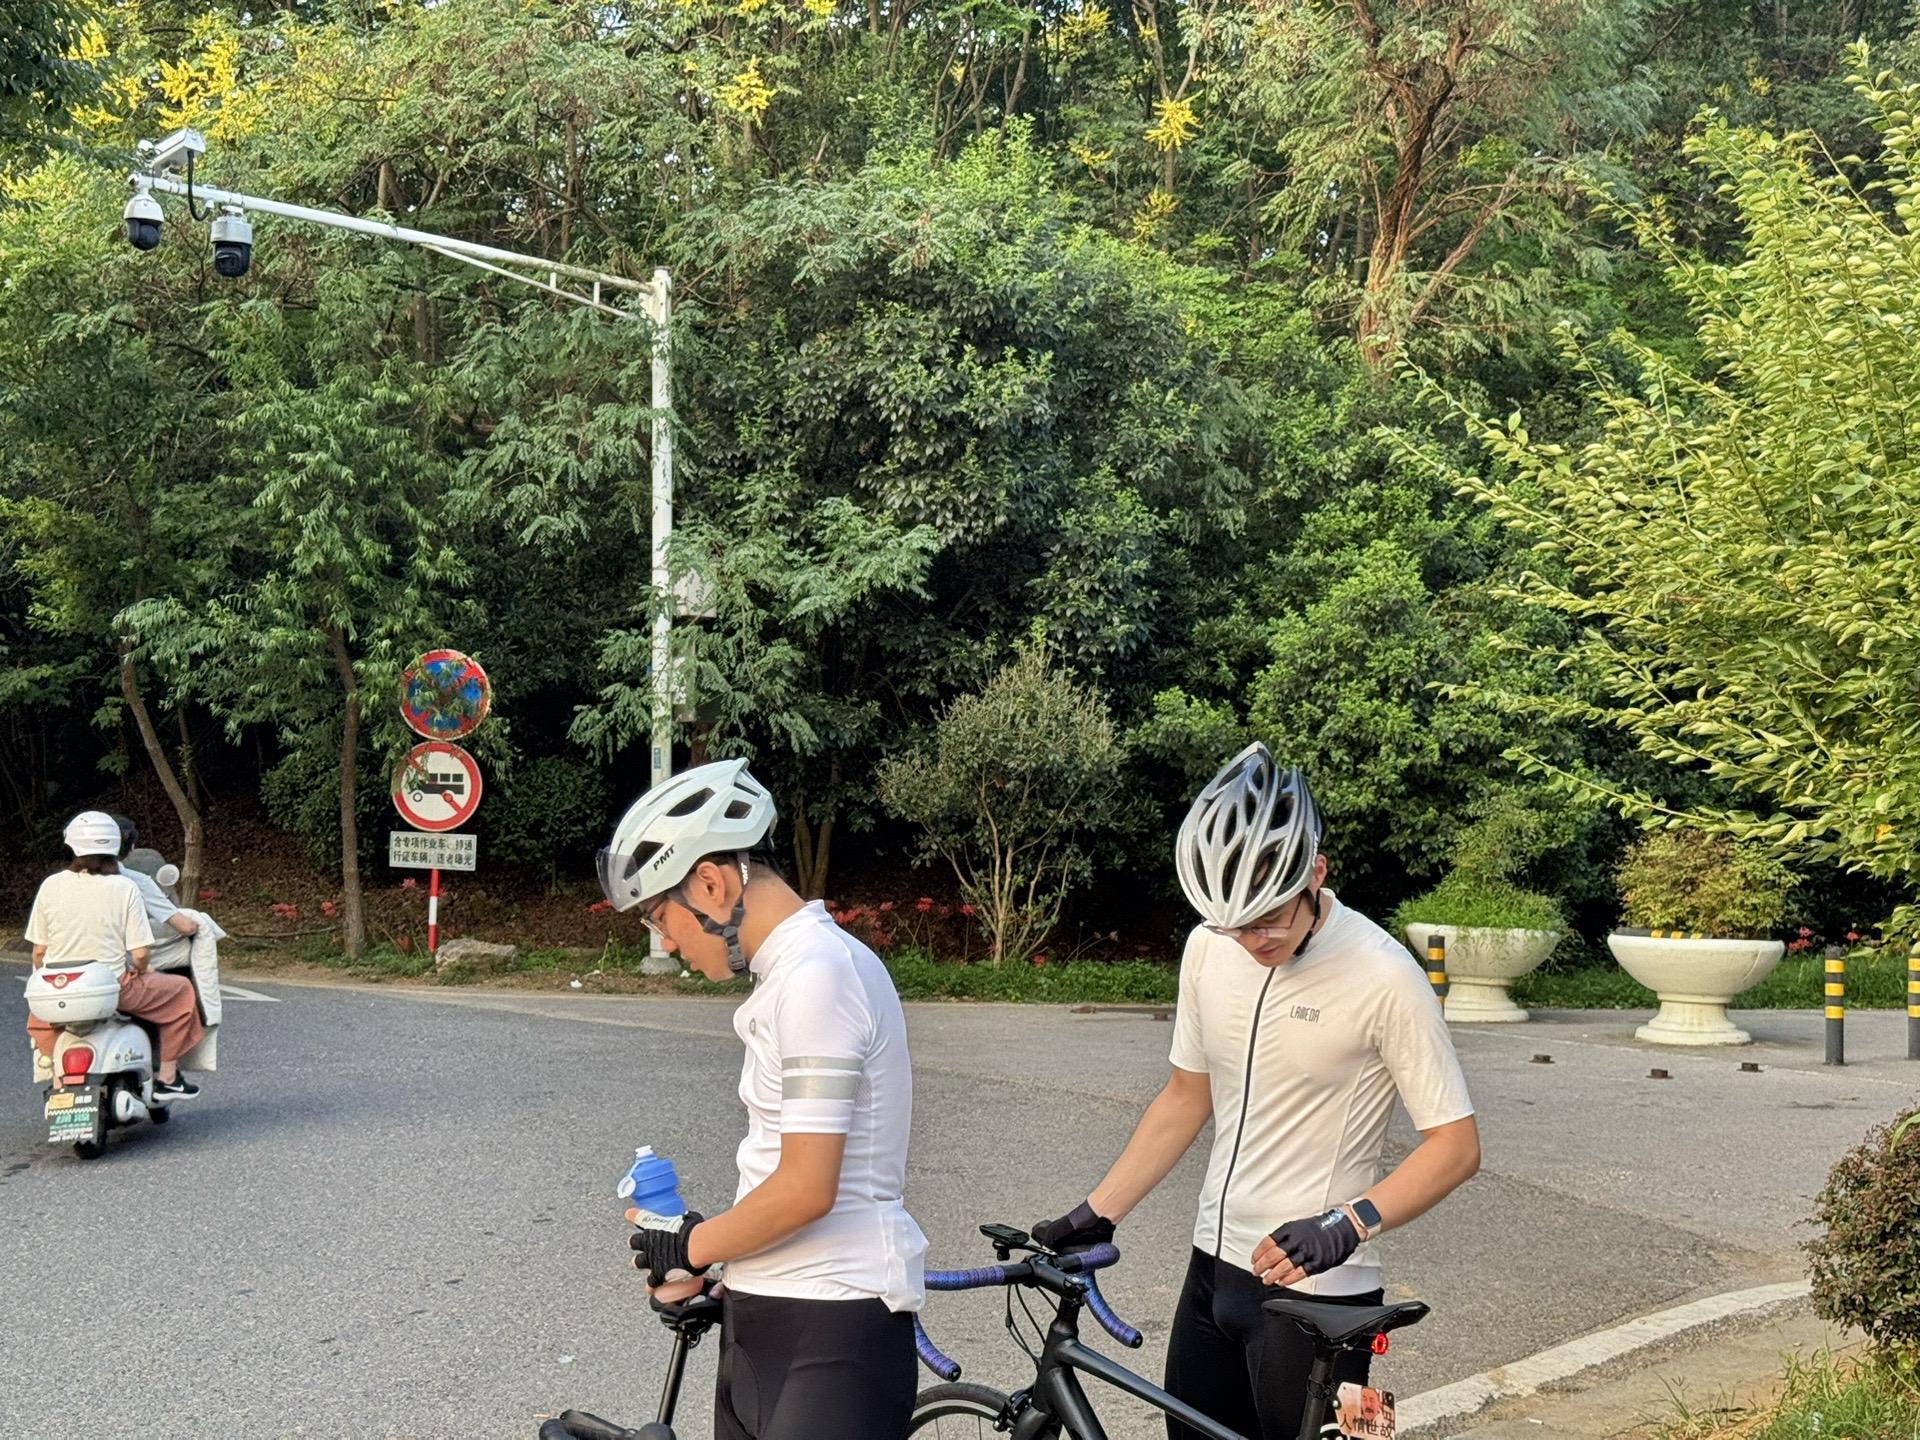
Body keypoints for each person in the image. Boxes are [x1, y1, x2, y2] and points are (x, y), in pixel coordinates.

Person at [1031, 743, 1479, 1440]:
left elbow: (1456, 1146)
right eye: (1233, 923)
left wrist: (1348, 1222)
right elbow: (1187, 1095)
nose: (1251, 940)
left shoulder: (1386, 975)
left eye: (1268, 918)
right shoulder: (1209, 948)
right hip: (1213, 1277)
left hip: (1324, 1296)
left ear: (1316, 874)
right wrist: (1098, 1212)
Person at [596, 758, 925, 1440]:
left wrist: (691, 1246)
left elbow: (807, 1188)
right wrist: (727, 1258)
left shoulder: (819, 976)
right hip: (769, 1313)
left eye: (659, 917)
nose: (666, 942)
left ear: (709, 884)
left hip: (834, 1322)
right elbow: (779, 1161)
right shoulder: (786, 975)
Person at [25, 811, 205, 1100]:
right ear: (118, 846)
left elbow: (39, 952)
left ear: (71, 845)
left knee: (40, 1019)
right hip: (112, 987)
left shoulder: (50, 885)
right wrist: (142, 971)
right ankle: (168, 1078)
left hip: (57, 987)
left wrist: (45, 981)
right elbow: (140, 953)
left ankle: (59, 1081)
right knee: (182, 992)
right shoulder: (125, 886)